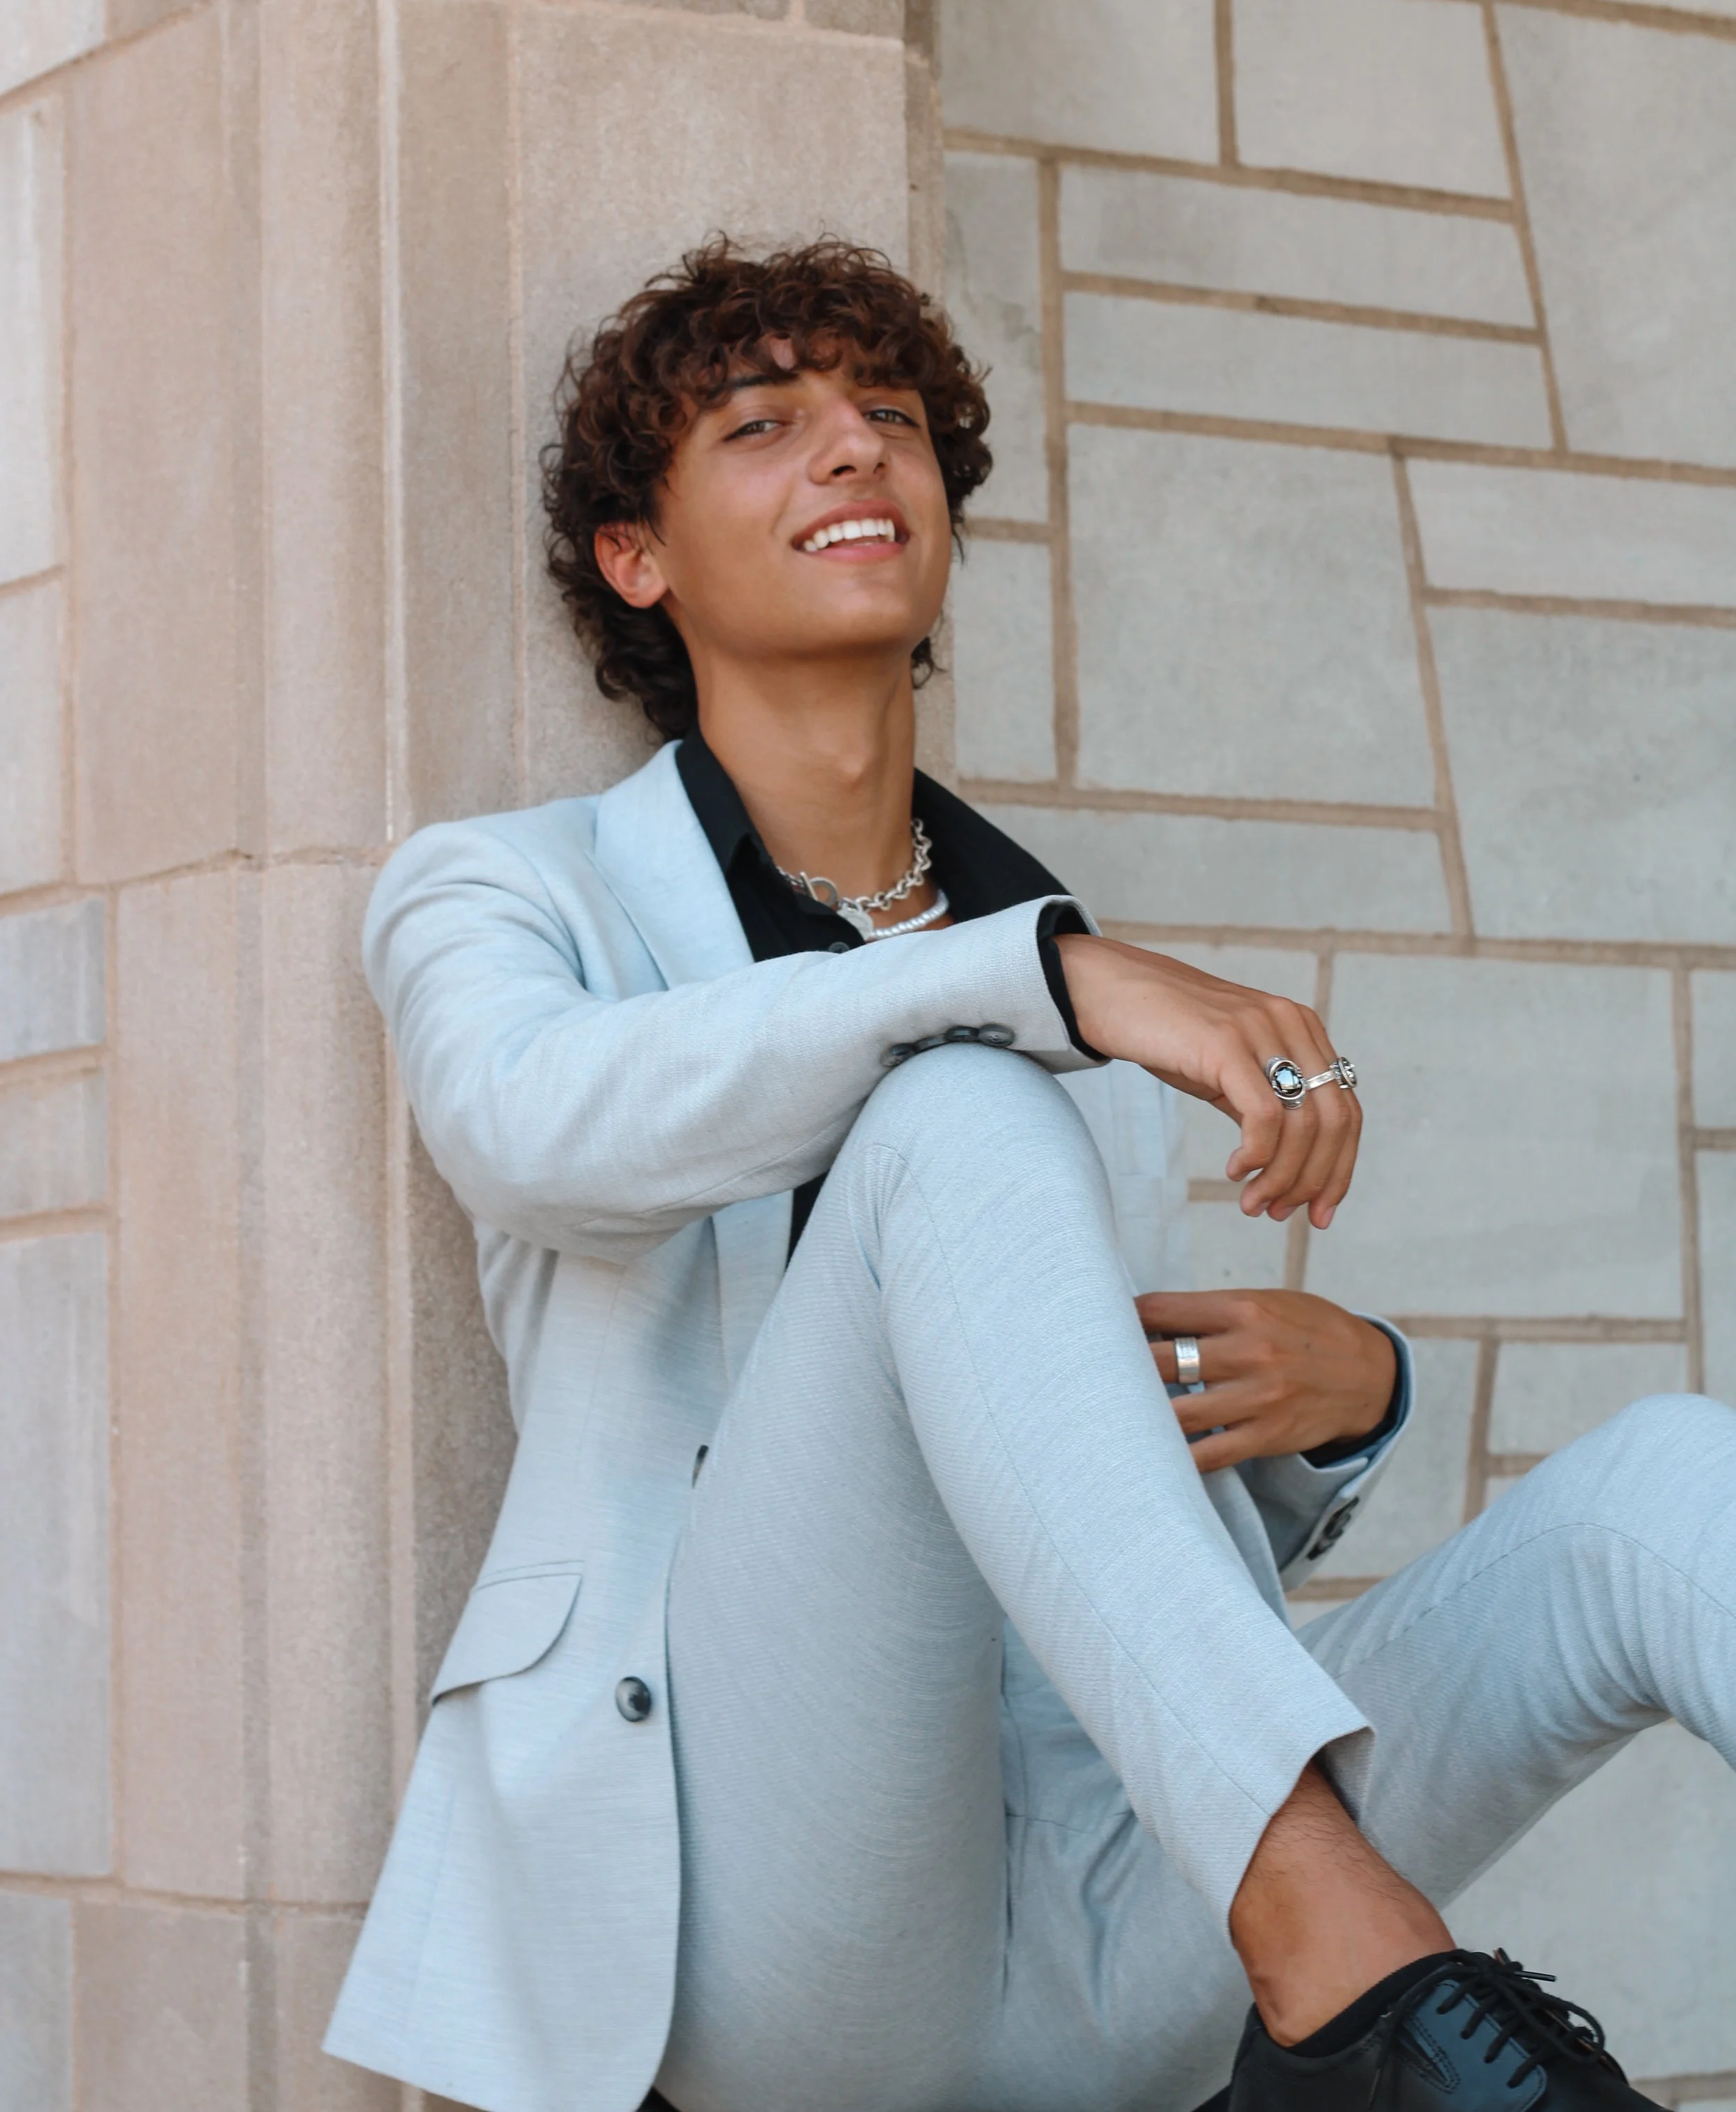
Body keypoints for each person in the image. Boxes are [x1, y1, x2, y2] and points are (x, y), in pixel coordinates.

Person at [326, 239, 1736, 2112]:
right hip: (785, 1915)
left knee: (1661, 1485)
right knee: (959, 1112)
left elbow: (1081, 1500)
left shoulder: (1059, 970)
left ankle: (1331, 1974)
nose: (853, 449)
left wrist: (1333, 1416)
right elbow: (534, 1131)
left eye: (887, 416)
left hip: (1119, 1887)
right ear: (636, 556)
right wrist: (1037, 983)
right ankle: (1345, 1962)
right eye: (762, 426)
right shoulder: (514, 892)